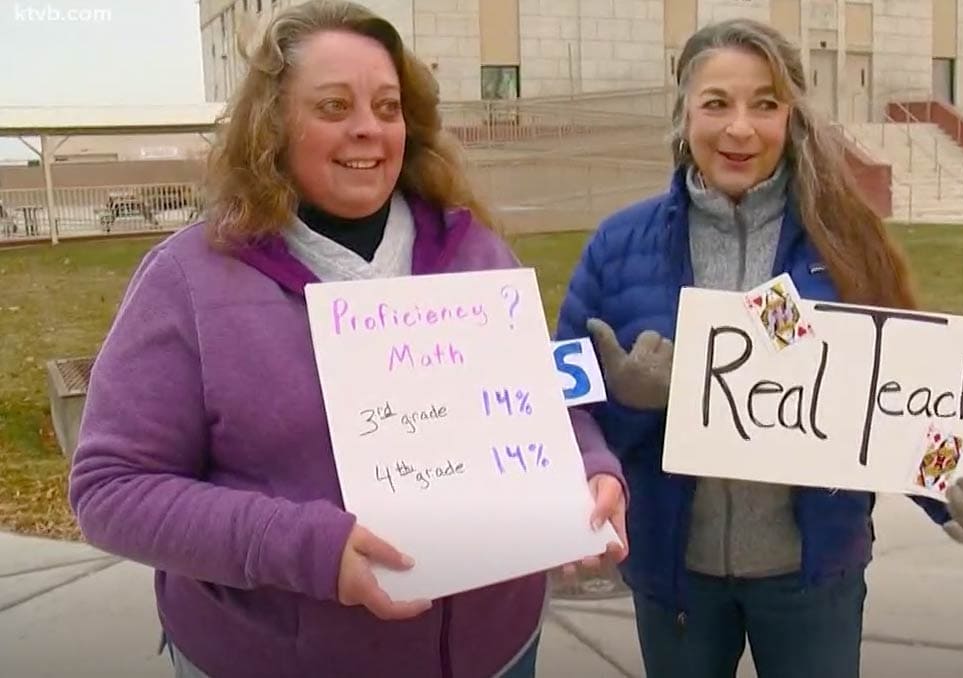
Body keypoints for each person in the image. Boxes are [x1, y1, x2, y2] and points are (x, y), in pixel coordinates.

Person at [67, 2, 626, 677]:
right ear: (271, 127)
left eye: (387, 108)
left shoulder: (477, 253)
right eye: (334, 107)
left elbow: (543, 400)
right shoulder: (188, 281)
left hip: (499, 650)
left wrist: (591, 466)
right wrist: (310, 550)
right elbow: (112, 489)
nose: (368, 129)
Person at [555, 18, 963, 678]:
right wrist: (632, 404)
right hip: (674, 571)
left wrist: (955, 493)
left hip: (812, 572)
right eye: (716, 103)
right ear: (684, 114)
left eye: (765, 104)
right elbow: (561, 402)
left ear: (791, 118)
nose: (739, 129)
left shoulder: (847, 244)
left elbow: (901, 399)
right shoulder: (617, 244)